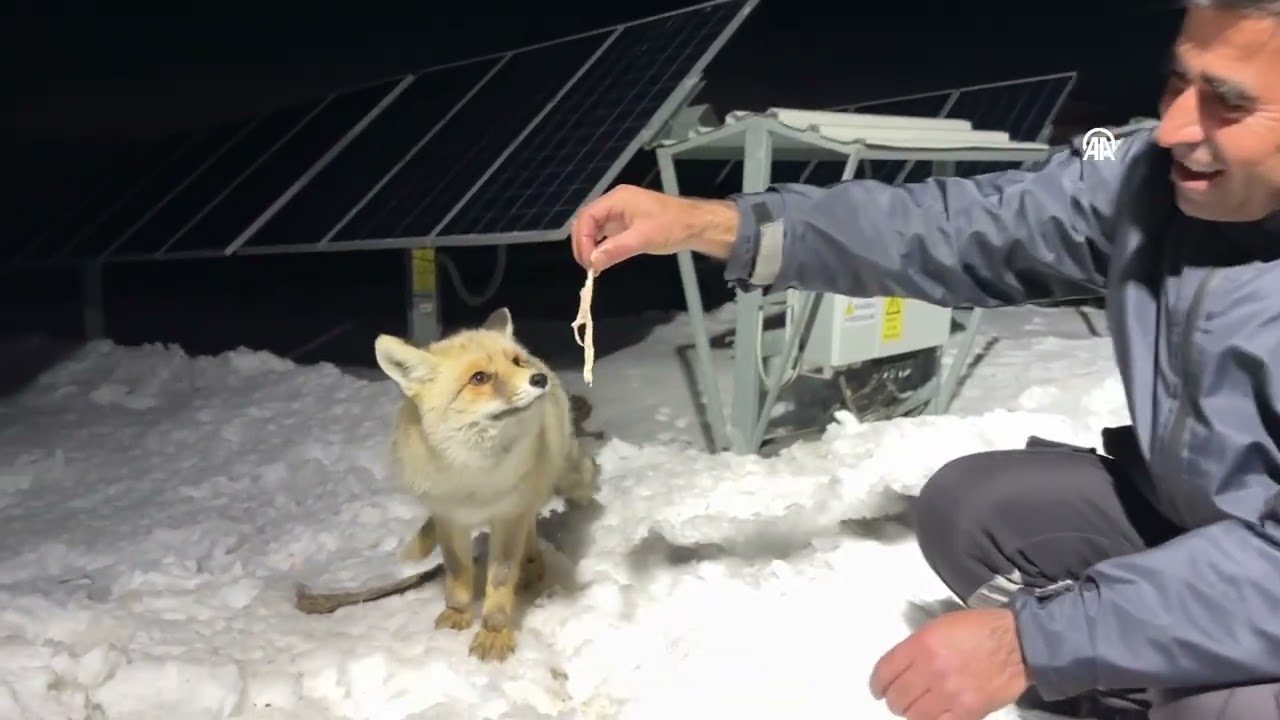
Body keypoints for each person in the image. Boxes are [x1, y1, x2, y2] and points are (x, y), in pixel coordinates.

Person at [568, 2, 1280, 719]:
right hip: (1207, 521)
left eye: (1229, 101)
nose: (1175, 127)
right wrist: (716, 224)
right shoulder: (1146, 182)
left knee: (1226, 705)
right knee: (975, 513)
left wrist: (1035, 643)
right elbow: (961, 226)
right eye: (1177, 83)